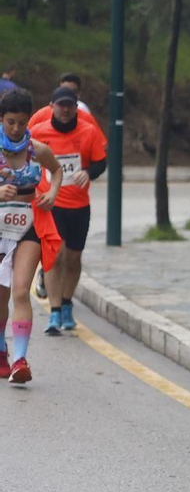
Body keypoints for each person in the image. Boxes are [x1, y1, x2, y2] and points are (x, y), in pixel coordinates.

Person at [30, 86, 106, 335]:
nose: (65, 110)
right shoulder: (39, 133)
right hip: (50, 204)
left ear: (76, 107)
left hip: (79, 205)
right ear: (51, 106)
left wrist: (88, 172)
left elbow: (100, 162)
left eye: (69, 106)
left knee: (73, 258)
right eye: (60, 105)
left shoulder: (88, 131)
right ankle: (53, 312)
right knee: (56, 255)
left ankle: (66, 304)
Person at [0, 89, 63, 386]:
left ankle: (21, 360)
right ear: (1, 119)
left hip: (28, 226)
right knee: (0, 295)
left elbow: (57, 170)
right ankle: (1, 351)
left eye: (22, 122)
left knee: (21, 291)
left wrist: (51, 192)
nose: (15, 128)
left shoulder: (37, 150)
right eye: (10, 121)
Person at [28, 73, 94, 128]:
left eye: (73, 91)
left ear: (79, 94)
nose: (68, 94)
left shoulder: (85, 115)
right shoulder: (41, 116)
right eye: (64, 90)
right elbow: (26, 137)